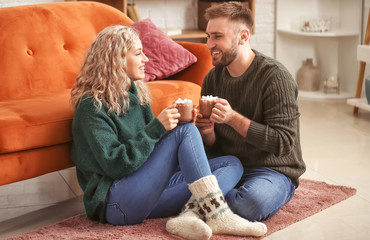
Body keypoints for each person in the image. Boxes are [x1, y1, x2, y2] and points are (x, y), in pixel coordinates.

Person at [70, 25, 267, 240]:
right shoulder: (92, 106)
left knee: (232, 164)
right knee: (185, 132)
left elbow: (151, 153)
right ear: (115, 60)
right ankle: (217, 215)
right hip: (115, 202)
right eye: (138, 54)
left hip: (146, 194)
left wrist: (170, 130)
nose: (146, 59)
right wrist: (159, 127)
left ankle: (189, 215)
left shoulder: (134, 93)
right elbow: (116, 165)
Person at [195, 1, 306, 222]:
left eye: (217, 36)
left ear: (243, 37)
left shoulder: (275, 77)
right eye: (208, 36)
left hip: (272, 170)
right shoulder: (212, 79)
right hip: (229, 165)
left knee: (251, 203)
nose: (209, 44)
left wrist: (233, 118)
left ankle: (208, 202)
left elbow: (283, 143)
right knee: (180, 174)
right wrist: (208, 133)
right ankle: (214, 203)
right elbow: (215, 146)